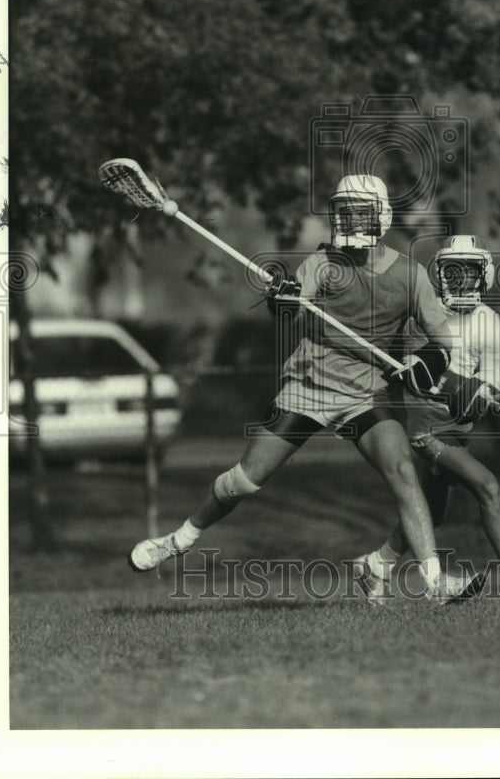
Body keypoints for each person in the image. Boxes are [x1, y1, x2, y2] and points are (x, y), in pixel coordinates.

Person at [128, 175, 481, 601]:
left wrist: (427, 361)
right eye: (343, 210)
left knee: (405, 472)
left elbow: (444, 343)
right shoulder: (323, 263)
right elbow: (290, 311)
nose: (348, 218)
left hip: (366, 395)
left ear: (382, 217)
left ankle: (435, 584)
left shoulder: (411, 275)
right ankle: (181, 539)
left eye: (359, 211)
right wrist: (284, 298)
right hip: (309, 387)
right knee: (243, 481)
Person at [352, 235, 500, 603]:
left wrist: (487, 393)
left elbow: (492, 374)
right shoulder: (424, 318)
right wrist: (465, 390)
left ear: (484, 276)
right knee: (488, 487)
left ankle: (376, 564)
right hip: (429, 427)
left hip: (460, 429)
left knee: (432, 513)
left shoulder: (489, 320)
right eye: (452, 271)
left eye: (469, 271)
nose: (460, 279)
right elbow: (421, 380)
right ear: (440, 275)